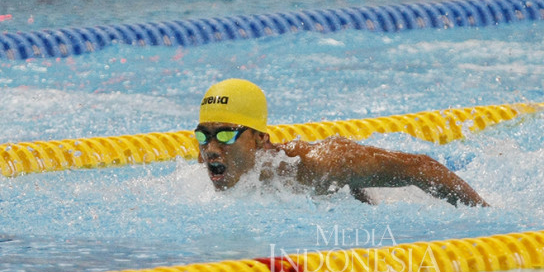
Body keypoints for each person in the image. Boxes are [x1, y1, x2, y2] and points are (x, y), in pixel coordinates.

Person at [195, 78, 488, 207]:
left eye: (226, 135)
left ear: (260, 139)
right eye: (203, 135)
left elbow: (422, 167)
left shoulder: (317, 164)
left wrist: (485, 215)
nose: (211, 149)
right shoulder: (212, 160)